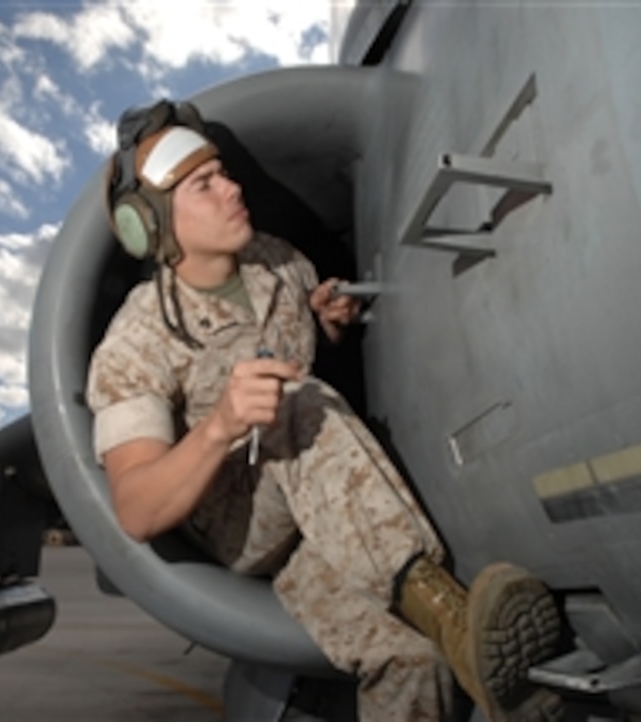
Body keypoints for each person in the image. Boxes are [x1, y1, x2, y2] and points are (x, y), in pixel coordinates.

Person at [86, 100, 564, 722]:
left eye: (224, 173)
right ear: (147, 226)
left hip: (323, 523)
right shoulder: (136, 340)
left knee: (410, 660)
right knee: (292, 398)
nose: (232, 188)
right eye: (205, 185)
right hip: (241, 527)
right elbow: (138, 507)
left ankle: (450, 645)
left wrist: (328, 326)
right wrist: (221, 426)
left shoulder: (282, 263)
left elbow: (305, 352)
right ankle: (451, 618)